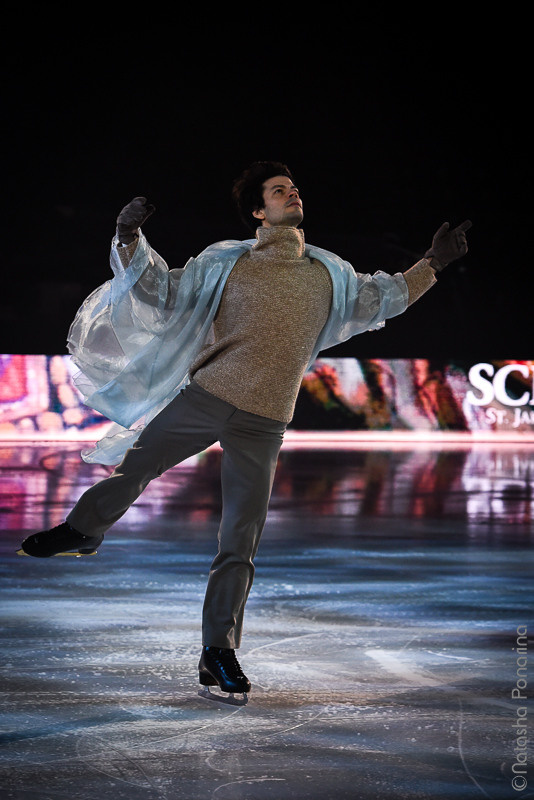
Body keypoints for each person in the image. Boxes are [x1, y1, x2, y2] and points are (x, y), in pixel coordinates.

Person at [19, 161, 471, 704]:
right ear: (259, 210)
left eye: (294, 187)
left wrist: (433, 264)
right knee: (136, 467)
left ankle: (218, 653)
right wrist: (128, 236)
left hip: (266, 421)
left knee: (240, 540)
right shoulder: (224, 262)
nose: (292, 192)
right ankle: (84, 529)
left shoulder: (330, 273)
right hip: (205, 398)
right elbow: (160, 290)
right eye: (279, 190)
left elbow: (387, 297)